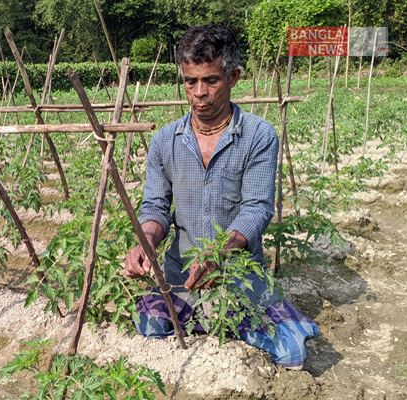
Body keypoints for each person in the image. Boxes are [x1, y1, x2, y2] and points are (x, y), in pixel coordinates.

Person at [123, 24, 319, 370]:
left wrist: (217, 254)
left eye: (210, 80)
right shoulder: (164, 141)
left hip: (238, 273)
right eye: (190, 81)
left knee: (291, 353)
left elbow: (257, 208)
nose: (199, 92)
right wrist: (147, 241)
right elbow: (155, 207)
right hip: (179, 275)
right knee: (148, 327)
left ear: (233, 77)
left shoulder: (258, 135)